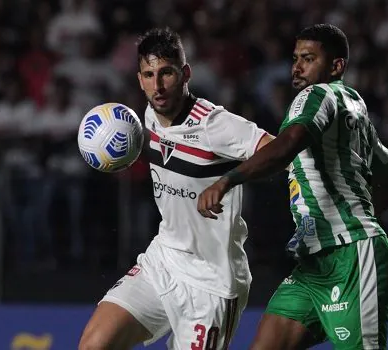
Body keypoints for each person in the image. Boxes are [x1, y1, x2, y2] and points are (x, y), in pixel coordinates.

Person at [197, 24, 388, 350]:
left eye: (308, 59)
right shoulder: (355, 111)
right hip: (314, 266)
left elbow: (288, 145)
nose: (296, 67)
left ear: (336, 66)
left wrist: (228, 179)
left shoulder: (318, 94)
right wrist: (354, 217)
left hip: (351, 259)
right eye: (295, 58)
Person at [78, 27, 273, 350]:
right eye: (149, 75)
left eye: (166, 73)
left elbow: (277, 150)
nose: (158, 85)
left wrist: (230, 180)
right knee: (93, 345)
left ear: (185, 74)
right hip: (163, 261)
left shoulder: (214, 125)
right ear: (140, 79)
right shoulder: (142, 120)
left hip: (213, 282)